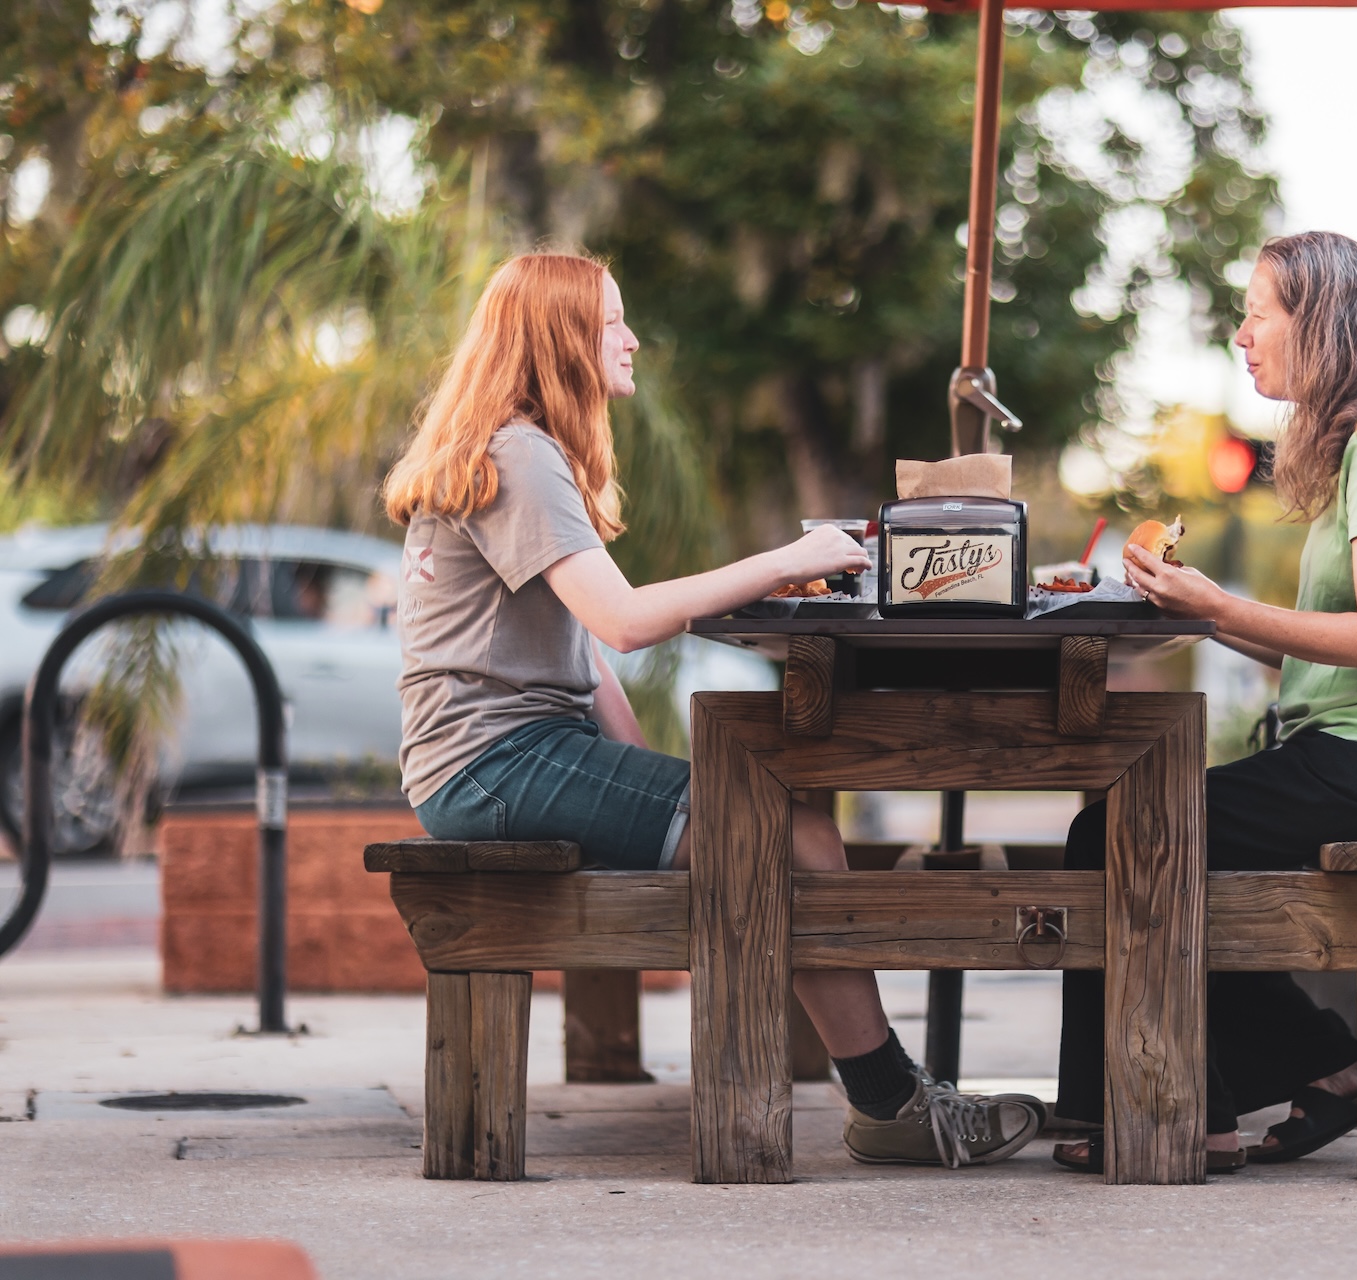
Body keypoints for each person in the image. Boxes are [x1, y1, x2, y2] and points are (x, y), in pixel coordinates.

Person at [382, 251, 1042, 1168]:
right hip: (494, 765)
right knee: (794, 838)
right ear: (560, 337)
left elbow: (582, 659)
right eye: (613, 321)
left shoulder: (516, 449)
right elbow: (620, 624)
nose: (632, 337)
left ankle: (887, 1097)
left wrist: (660, 794)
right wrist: (785, 558)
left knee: (766, 827)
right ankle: (893, 1105)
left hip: (504, 757)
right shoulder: (519, 454)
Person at [1050, 230, 1357, 1175]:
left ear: (1321, 323)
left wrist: (1218, 606)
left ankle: (1178, 1110)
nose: (1241, 333)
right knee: (1134, 835)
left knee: (1116, 836)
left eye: (1258, 311)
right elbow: (1338, 648)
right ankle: (1290, 1080)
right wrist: (1204, 613)